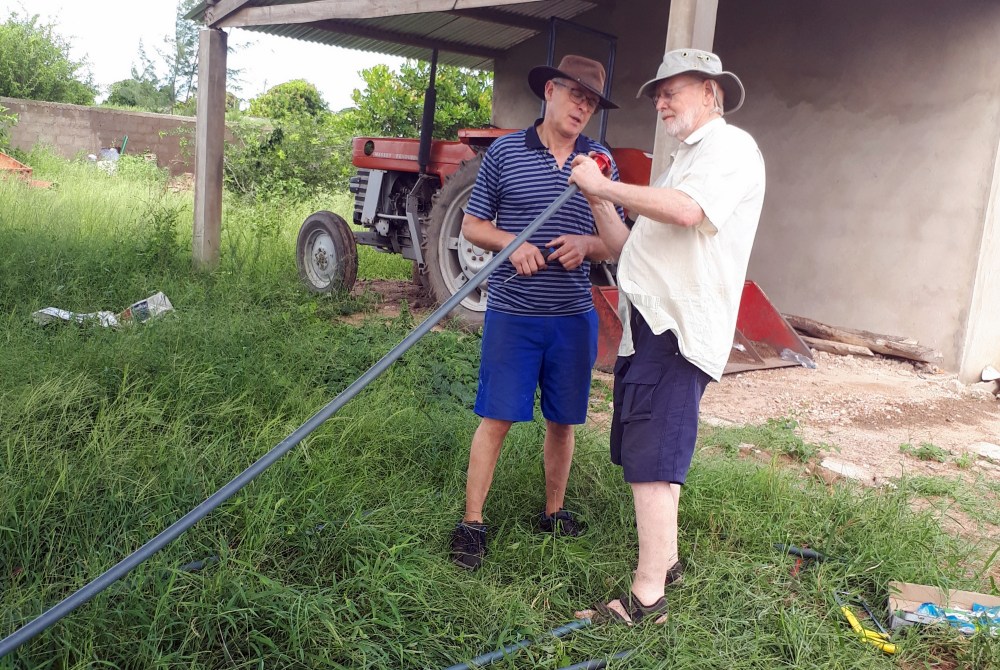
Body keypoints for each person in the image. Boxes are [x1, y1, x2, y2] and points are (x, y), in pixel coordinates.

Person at [568, 49, 766, 623]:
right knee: (652, 451)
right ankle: (668, 562)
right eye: (657, 94)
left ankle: (646, 597)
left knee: (654, 461)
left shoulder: (729, 147)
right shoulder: (683, 161)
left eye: (670, 91)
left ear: (710, 92)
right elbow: (629, 249)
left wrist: (605, 184)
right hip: (651, 326)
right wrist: (596, 198)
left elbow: (686, 212)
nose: (660, 102)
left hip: (678, 328)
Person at [449, 55, 625, 571]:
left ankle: (553, 512)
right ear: (550, 91)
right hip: (514, 315)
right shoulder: (506, 152)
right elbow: (472, 225)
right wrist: (513, 244)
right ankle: (472, 523)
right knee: (497, 417)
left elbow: (617, 242)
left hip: (572, 317)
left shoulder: (599, 161)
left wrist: (586, 244)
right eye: (574, 95)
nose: (581, 107)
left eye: (590, 102)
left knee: (563, 421)